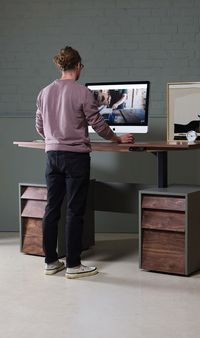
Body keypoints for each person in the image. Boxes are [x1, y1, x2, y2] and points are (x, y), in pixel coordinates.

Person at [35, 46, 134, 279]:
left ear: (61, 66)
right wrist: (117, 138)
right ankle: (73, 265)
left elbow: (40, 127)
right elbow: (98, 125)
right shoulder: (82, 92)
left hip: (52, 157)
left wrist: (54, 137)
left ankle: (50, 261)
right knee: (75, 211)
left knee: (52, 208)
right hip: (76, 158)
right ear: (78, 65)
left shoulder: (44, 92)